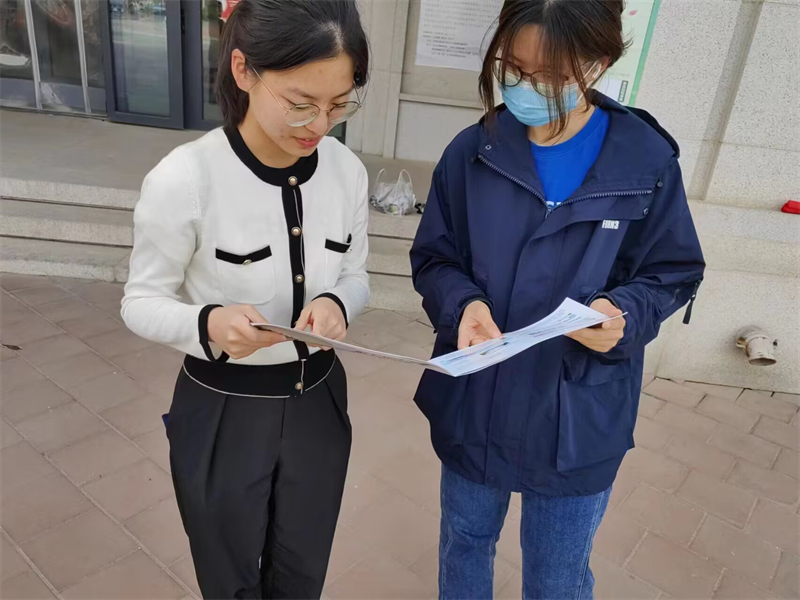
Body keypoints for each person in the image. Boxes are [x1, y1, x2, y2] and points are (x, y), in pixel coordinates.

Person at [409, 0, 705, 598]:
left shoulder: (644, 161)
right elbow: (435, 257)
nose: (523, 87)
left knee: (558, 574)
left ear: (596, 65)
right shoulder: (473, 152)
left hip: (577, 414)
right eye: (511, 68)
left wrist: (625, 315)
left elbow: (672, 270)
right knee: (465, 542)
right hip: (478, 397)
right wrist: (464, 305)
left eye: (547, 75)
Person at [120, 1, 370, 597]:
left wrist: (339, 304)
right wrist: (208, 324)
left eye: (339, 104)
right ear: (243, 71)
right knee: (227, 574)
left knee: (302, 572)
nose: (320, 124)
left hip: (318, 403)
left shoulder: (347, 172)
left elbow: (356, 275)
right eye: (301, 103)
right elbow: (140, 300)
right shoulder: (186, 179)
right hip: (223, 406)